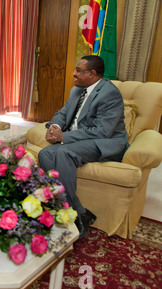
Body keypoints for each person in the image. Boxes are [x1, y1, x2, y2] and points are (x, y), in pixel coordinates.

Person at [38, 55, 128, 239]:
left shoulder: (109, 93)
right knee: (45, 154)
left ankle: (73, 218)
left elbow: (102, 131)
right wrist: (54, 127)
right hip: (79, 140)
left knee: (63, 152)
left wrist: (64, 137)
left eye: (79, 70)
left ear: (93, 73)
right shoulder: (77, 90)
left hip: (104, 141)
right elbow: (62, 113)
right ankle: (78, 211)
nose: (74, 73)